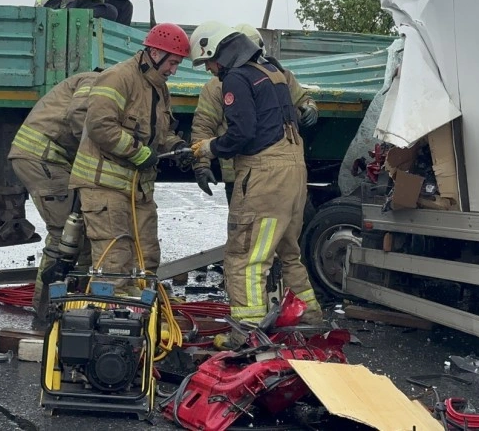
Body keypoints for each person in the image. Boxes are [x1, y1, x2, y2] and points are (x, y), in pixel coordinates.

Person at [188, 21, 324, 325]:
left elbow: (241, 133)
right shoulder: (275, 74)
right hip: (291, 173)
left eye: (208, 61)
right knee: (289, 253)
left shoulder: (233, 80)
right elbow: (204, 126)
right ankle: (309, 319)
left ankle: (248, 332)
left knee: (245, 258)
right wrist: (202, 163)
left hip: (260, 178)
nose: (209, 69)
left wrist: (207, 152)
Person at [68, 23, 193, 295]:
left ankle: (142, 316)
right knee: (115, 261)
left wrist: (179, 146)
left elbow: (160, 134)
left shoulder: (159, 87)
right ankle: (111, 323)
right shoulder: (117, 77)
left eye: (177, 64)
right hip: (105, 185)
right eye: (172, 62)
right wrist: (138, 152)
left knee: (146, 257)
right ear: (155, 53)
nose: (174, 70)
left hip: (138, 189)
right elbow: (100, 126)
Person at [191, 23, 319, 202]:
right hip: (239, 173)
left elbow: (302, 100)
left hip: (271, 169)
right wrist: (201, 165)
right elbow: (203, 126)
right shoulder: (217, 86)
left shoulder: (280, 76)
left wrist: (309, 107)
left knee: (257, 226)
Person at [8, 70, 100, 317]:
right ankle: (45, 313)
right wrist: (96, 149)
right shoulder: (95, 81)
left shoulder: (92, 80)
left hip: (47, 159)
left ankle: (64, 309)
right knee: (65, 240)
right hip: (44, 160)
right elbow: (79, 115)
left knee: (74, 236)